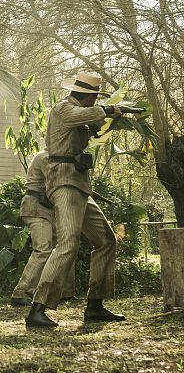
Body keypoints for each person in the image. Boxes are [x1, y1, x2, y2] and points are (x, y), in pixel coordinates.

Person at [26, 72, 125, 328]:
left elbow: (95, 128)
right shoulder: (64, 108)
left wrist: (115, 118)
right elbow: (82, 116)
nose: (95, 101)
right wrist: (107, 109)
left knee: (106, 240)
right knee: (68, 243)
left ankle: (95, 305)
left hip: (79, 185)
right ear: (89, 95)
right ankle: (37, 309)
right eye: (95, 97)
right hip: (65, 182)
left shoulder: (85, 113)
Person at [10, 150, 75, 306]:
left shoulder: (52, 157)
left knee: (65, 246)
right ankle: (21, 293)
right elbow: (56, 184)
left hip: (47, 208)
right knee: (43, 249)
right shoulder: (45, 157)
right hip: (36, 207)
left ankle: (63, 292)